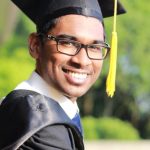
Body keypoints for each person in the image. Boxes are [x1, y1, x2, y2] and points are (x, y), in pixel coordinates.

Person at [0, 0, 126, 149]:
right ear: (35, 45)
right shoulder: (39, 125)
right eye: (68, 42)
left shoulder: (47, 113)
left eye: (95, 47)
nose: (82, 61)